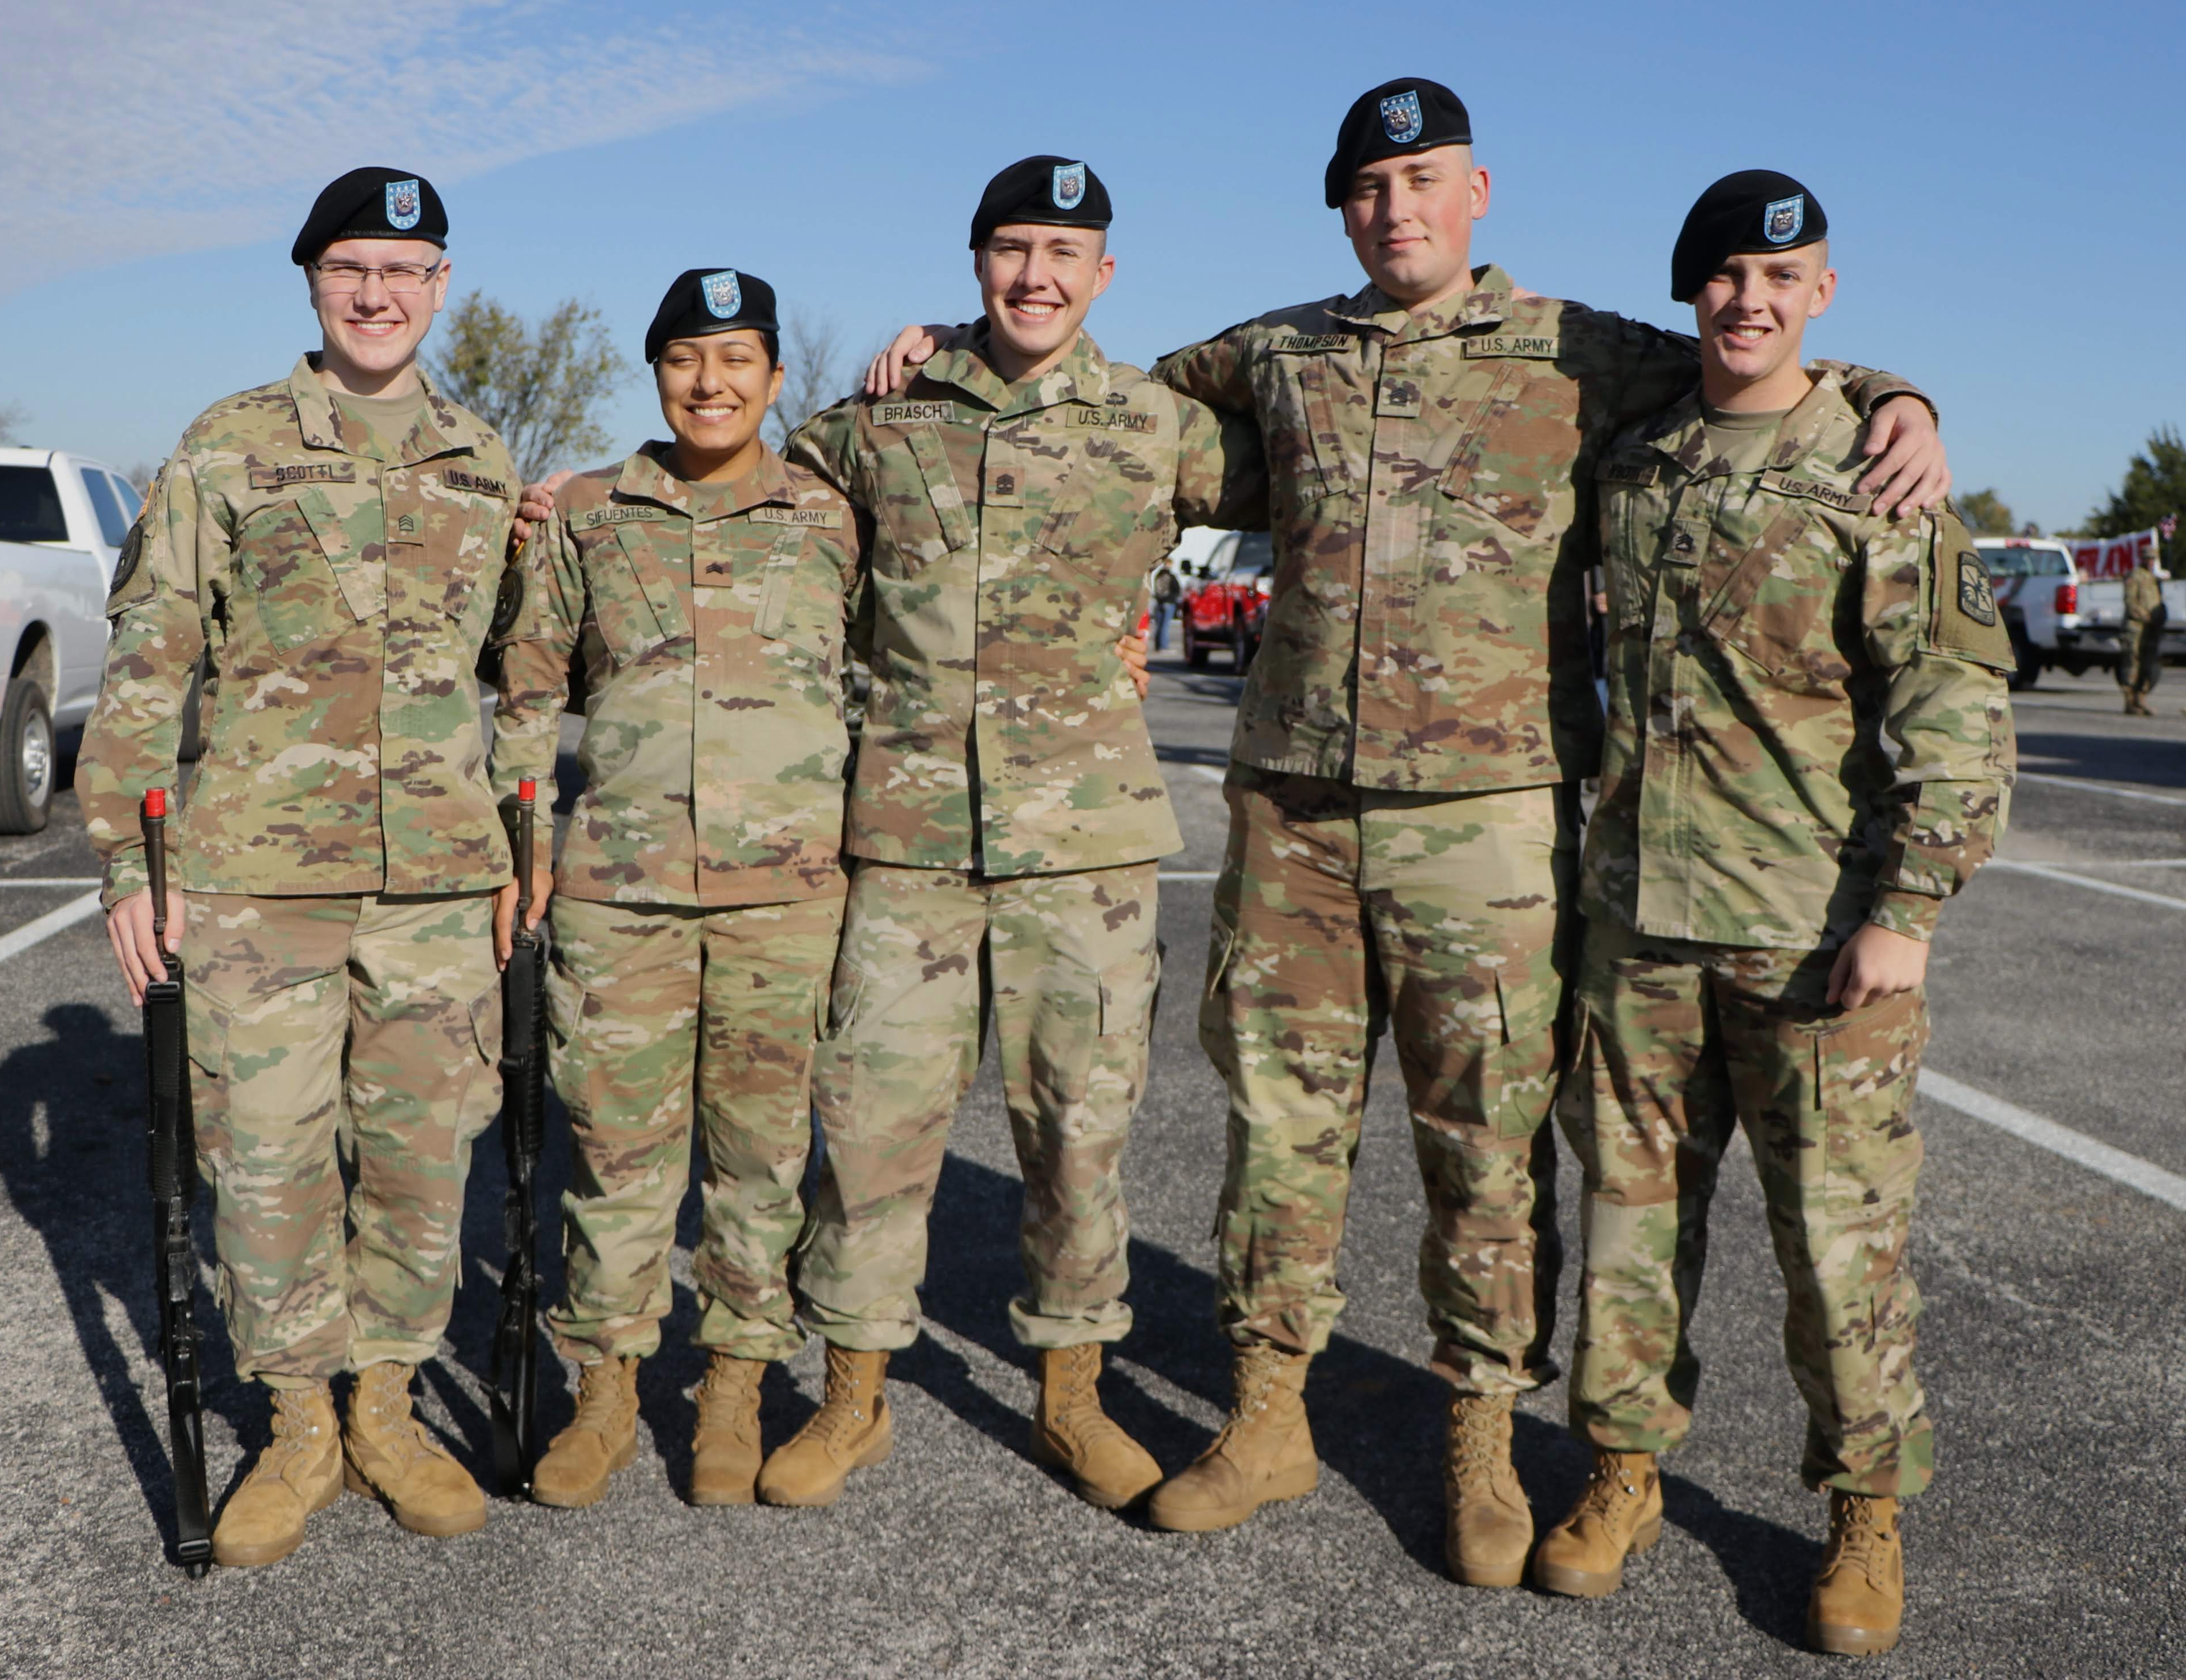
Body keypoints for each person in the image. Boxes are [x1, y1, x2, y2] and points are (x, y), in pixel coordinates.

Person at [1125, 81, 1949, 1587]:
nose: (1397, 208)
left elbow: (1757, 359)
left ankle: (1482, 1443)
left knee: (1487, 1147)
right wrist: (938, 352)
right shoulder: (1277, 350)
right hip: (1295, 815)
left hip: (1489, 822)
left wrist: (1905, 399)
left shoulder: (1575, 352)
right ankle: (1263, 1416)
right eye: (1369, 187)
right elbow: (1121, 400)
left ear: (1479, 189)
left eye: (1424, 178)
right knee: (1280, 1132)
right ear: (1341, 207)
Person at [1535, 172, 2013, 1656]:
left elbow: (1954, 703)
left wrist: (1910, 905)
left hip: (1816, 938)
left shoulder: (1879, 475)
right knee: (1627, 1229)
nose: (1748, 299)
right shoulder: (1634, 462)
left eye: (1778, 276)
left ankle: (1864, 1514)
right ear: (1693, 292)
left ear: (1822, 294)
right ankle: (1620, 1475)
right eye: (1724, 275)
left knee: (1839, 1248)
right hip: (1638, 933)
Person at [760, 156, 1261, 1512]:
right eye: (1011, 249)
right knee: (870, 1127)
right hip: (909, 838)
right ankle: (851, 1395)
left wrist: (1895, 398)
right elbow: (749, 500)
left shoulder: (1160, 426)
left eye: (1063, 251)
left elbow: (1332, 465)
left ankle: (1070, 1396)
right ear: (973, 260)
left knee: (1078, 1136)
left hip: (1082, 848)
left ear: (1105, 274)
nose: (1034, 275)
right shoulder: (882, 414)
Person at [79, 167, 522, 1568]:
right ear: (313, 283)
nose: (377, 295)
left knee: (416, 1155)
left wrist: (520, 840)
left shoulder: (487, 459)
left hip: (440, 876)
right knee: (264, 1161)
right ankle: (297, 1423)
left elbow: (521, 666)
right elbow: (151, 647)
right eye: (350, 270)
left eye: (405, 271)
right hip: (260, 876)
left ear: (440, 286)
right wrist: (124, 859)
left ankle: (384, 1406)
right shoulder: (231, 446)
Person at [488, 268, 863, 1509]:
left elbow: (904, 658)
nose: (712, 383)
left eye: (738, 359)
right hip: (621, 890)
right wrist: (524, 834)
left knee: (758, 1157)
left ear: (772, 375)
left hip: (787, 892)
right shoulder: (590, 511)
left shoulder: (833, 512)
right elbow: (532, 684)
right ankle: (605, 1389)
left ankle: (738, 1384)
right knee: (619, 1150)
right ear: (655, 372)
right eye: (687, 359)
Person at [2120, 555, 2164, 714]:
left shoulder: (2153, 578)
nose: (2151, 562)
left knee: (2148, 664)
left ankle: (2141, 698)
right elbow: (2130, 602)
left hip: (2151, 628)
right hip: (2136, 626)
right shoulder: (2135, 576)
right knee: (2132, 662)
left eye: (2153, 559)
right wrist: (2146, 617)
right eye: (2148, 559)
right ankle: (2130, 702)